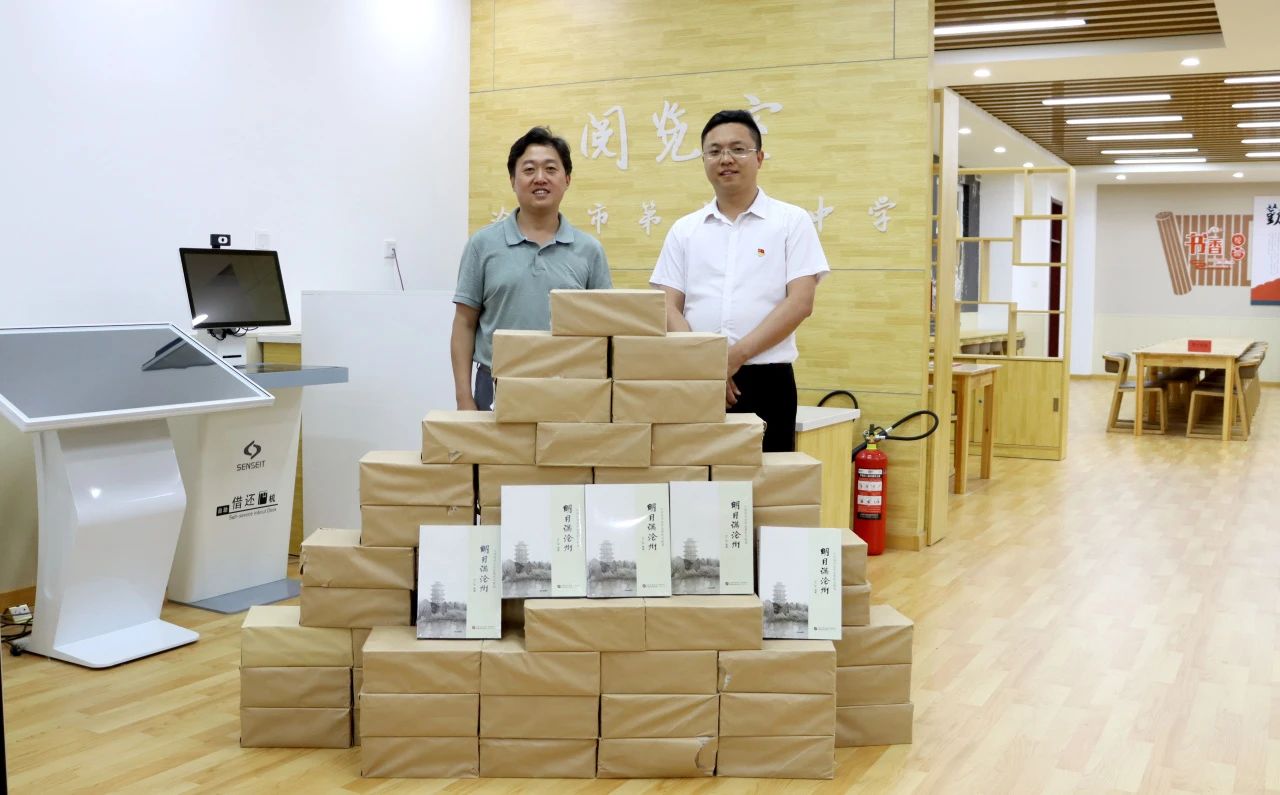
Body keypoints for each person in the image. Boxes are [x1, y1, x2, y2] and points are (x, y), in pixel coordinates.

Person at [650, 109, 828, 452]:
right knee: (696, 477)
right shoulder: (684, 230)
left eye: (738, 149)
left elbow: (800, 302)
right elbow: (667, 305)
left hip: (767, 379)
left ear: (759, 158)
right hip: (696, 378)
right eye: (714, 151)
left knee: (768, 481)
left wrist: (732, 358)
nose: (726, 159)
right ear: (704, 160)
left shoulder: (791, 221)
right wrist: (705, 363)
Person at [451, 126, 612, 410]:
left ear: (567, 179)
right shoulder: (482, 245)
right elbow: (464, 323)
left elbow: (605, 329)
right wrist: (464, 398)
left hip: (569, 387)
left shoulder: (589, 251)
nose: (540, 178)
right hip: (495, 385)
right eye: (529, 170)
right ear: (513, 180)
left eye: (550, 169)